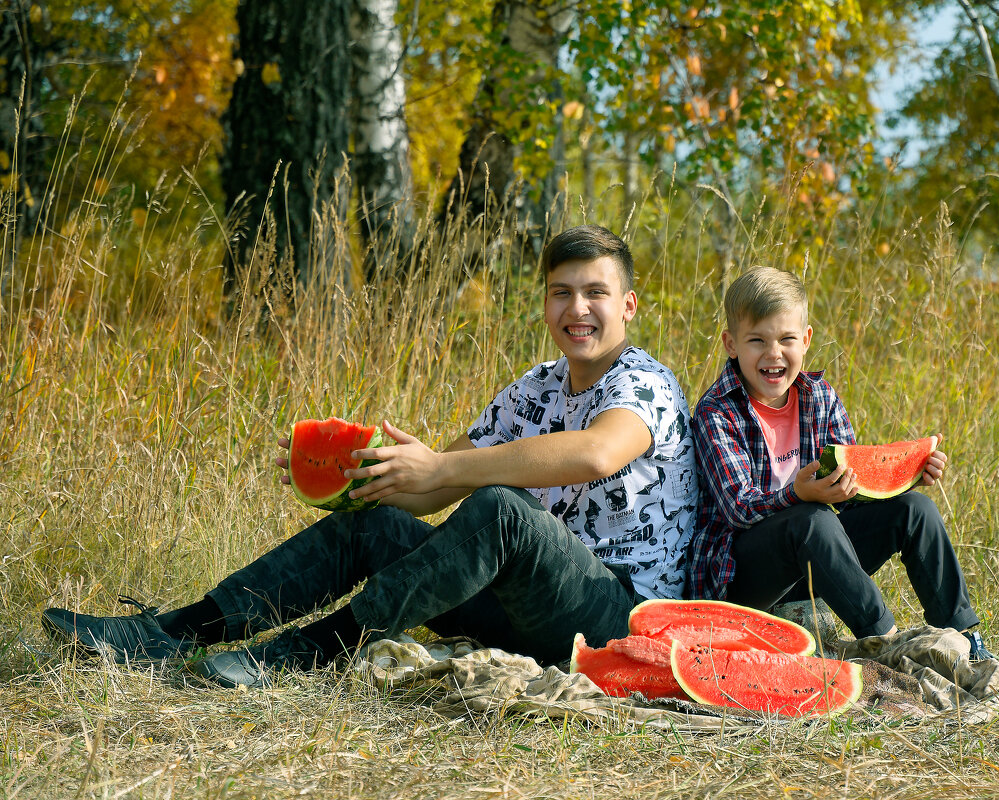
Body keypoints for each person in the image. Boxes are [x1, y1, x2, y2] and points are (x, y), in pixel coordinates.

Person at [42, 224, 699, 687]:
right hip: (521, 611)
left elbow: (594, 454)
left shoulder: (645, 383)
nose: (577, 308)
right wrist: (368, 476)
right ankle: (173, 632)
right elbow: (433, 494)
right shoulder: (535, 387)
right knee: (374, 524)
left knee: (500, 509)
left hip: (617, 617)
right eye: (562, 292)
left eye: (595, 293)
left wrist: (443, 468)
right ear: (545, 301)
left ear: (629, 306)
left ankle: (309, 653)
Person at [686, 266, 994, 661]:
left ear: (807, 339)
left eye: (786, 339)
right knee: (812, 518)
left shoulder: (820, 397)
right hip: (742, 576)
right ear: (731, 344)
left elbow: (852, 491)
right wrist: (796, 494)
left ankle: (964, 639)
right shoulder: (717, 411)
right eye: (756, 340)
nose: (773, 353)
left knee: (915, 511)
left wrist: (908, 477)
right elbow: (737, 507)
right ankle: (885, 641)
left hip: (816, 558)